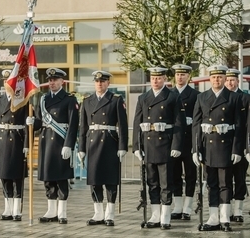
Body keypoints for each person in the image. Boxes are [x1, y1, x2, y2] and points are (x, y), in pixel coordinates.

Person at [133, 67, 186, 230]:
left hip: (165, 144)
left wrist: (176, 145)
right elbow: (137, 122)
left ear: (164, 79)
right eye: (153, 78)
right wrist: (136, 146)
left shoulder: (172, 96)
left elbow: (179, 123)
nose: (155, 81)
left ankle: (165, 215)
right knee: (152, 182)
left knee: (166, 183)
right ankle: (155, 214)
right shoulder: (143, 97)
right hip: (149, 145)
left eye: (159, 78)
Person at [192, 65, 243, 232]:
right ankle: (213, 218)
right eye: (214, 77)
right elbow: (196, 125)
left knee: (225, 183)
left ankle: (225, 217)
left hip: (225, 146)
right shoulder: (202, 97)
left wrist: (237, 149)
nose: (217, 80)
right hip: (208, 146)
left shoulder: (233, 98)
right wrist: (195, 149)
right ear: (210, 79)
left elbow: (239, 126)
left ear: (224, 78)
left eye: (220, 77)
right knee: (211, 183)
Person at [26, 68, 79, 224]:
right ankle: (51, 210)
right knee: (48, 178)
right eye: (50, 80)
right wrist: (31, 122)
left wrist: (69, 145)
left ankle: (62, 212)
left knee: (61, 178)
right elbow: (39, 122)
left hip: (61, 142)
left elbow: (73, 124)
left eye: (55, 80)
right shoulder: (43, 99)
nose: (52, 83)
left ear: (62, 81)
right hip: (46, 143)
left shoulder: (69, 99)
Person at [78, 71, 128, 226]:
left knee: (110, 180)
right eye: (97, 81)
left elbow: (123, 125)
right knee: (95, 180)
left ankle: (109, 214)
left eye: (103, 81)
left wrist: (122, 146)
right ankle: (98, 213)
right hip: (92, 143)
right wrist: (81, 148)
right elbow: (83, 127)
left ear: (108, 83)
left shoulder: (115, 100)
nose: (100, 84)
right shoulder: (87, 101)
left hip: (109, 143)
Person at [0, 92, 29, 221]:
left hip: (17, 139)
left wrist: (27, 144)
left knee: (17, 176)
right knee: (4, 176)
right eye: (6, 81)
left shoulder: (23, 99)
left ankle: (16, 209)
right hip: (2, 139)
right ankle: (8, 208)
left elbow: (27, 124)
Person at [170, 64, 200, 220]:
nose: (180, 77)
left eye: (183, 75)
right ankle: (178, 206)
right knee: (174, 173)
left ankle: (187, 207)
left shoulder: (195, 95)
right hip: (174, 140)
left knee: (190, 174)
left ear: (188, 76)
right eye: (177, 74)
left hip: (189, 140)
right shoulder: (170, 94)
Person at [225, 68, 249, 223]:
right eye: (227, 80)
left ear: (238, 81)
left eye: (232, 80)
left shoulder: (245, 98)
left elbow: (247, 125)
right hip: (223, 146)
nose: (229, 83)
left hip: (240, 144)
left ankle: (238, 211)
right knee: (224, 180)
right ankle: (225, 210)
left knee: (239, 178)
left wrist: (247, 147)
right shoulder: (221, 97)